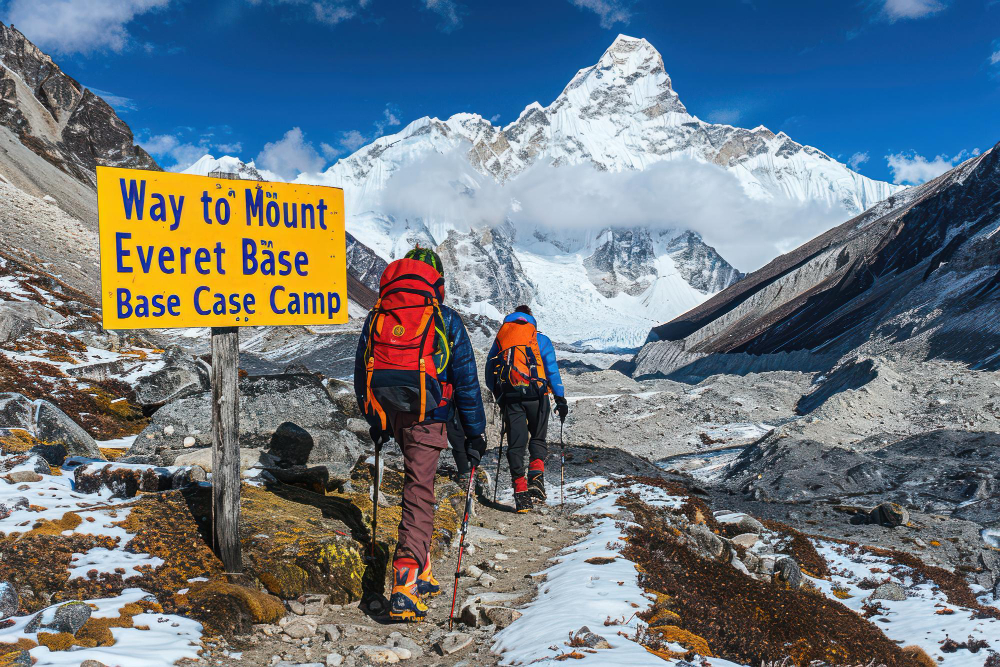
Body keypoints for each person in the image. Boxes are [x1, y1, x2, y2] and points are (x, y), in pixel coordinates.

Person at [354, 246, 488, 622]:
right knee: (419, 492)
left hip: (391, 412)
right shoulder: (444, 319)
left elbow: (362, 369)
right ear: (437, 283)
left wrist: (376, 419)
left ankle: (423, 572)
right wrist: (476, 433)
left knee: (417, 482)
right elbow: (466, 383)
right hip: (428, 416)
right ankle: (405, 585)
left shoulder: (378, 315)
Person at [486, 305, 568, 513]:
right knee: (538, 437)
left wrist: (499, 394)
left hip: (511, 397)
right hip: (537, 396)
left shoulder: (503, 337)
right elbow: (551, 371)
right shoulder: (541, 339)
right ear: (531, 320)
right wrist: (560, 398)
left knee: (516, 443)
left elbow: (490, 369)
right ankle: (536, 478)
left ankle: (520, 491)